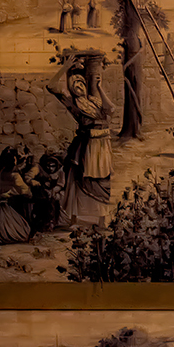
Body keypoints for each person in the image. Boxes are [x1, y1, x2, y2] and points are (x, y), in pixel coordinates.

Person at [48, 53, 113, 225]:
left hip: (102, 147)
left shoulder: (94, 101)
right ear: (71, 89)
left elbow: (111, 109)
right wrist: (65, 68)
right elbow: (51, 86)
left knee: (102, 182)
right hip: (87, 146)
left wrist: (99, 87)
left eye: (81, 83)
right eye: (74, 84)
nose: (78, 86)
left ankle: (101, 220)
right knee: (80, 181)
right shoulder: (73, 103)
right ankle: (74, 218)